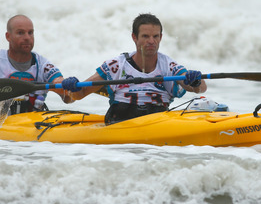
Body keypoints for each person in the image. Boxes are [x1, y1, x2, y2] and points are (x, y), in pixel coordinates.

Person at [60, 13, 206, 124]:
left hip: (157, 125)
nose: (151, 41)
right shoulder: (116, 66)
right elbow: (80, 94)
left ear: (161, 37)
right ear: (134, 37)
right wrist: (72, 88)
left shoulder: (169, 65)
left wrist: (196, 82)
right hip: (120, 125)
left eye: (155, 36)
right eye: (145, 36)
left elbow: (200, 89)